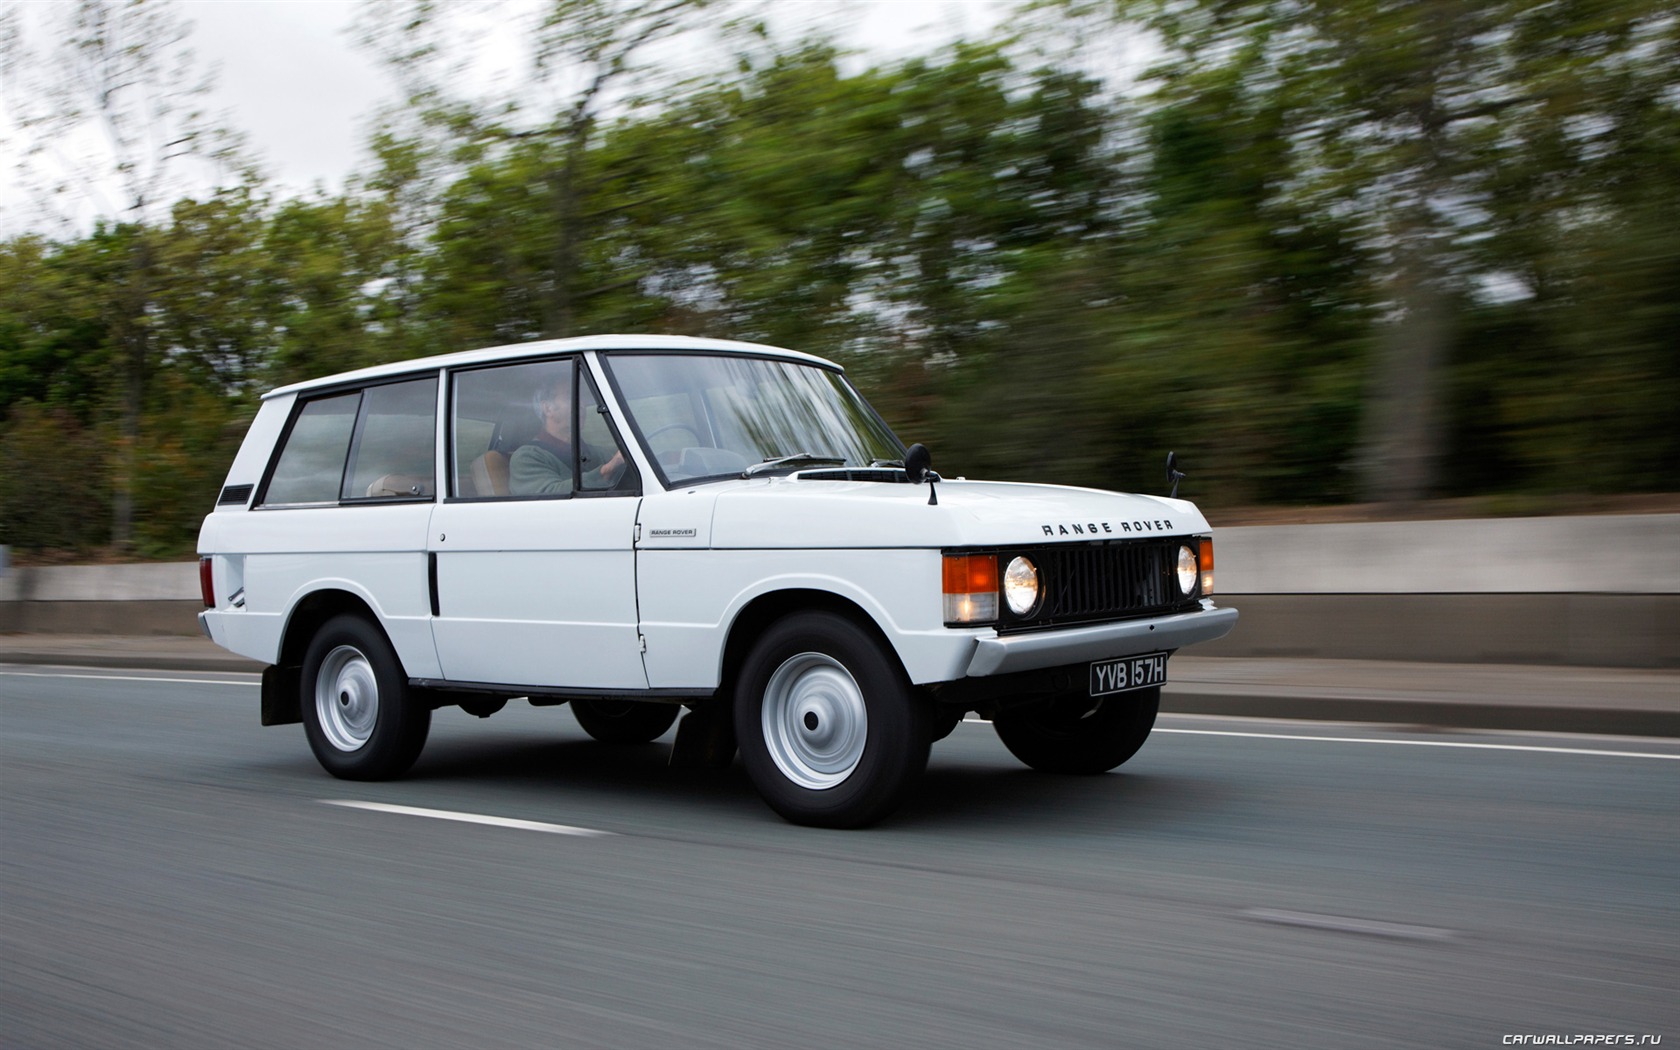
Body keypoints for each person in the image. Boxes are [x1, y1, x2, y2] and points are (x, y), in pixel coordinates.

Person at [508, 372, 625, 496]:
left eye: (582, 398)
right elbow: (548, 497)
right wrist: (605, 472)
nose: (582, 404)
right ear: (548, 408)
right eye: (571, 397)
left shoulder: (597, 453)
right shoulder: (527, 457)